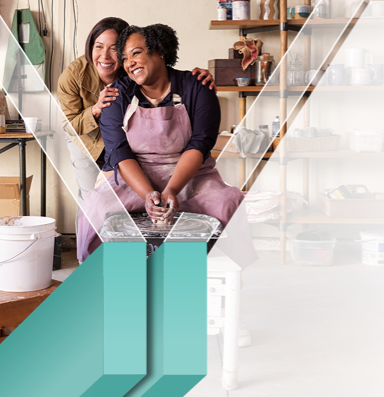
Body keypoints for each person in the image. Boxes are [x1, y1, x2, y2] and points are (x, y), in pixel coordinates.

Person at [76, 23, 258, 268]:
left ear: (160, 51)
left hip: (192, 175)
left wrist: (172, 189)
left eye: (136, 53)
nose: (129, 62)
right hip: (135, 177)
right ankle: (104, 277)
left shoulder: (196, 87)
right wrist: (148, 195)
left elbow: (200, 143)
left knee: (227, 203)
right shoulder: (116, 95)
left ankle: (225, 277)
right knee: (96, 207)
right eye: (125, 58)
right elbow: (119, 152)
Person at [57, 17, 215, 224]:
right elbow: (70, 125)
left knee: (136, 196)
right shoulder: (73, 75)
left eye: (114, 49)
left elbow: (164, 74)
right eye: (98, 47)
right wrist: (96, 109)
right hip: (85, 137)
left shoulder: (135, 66)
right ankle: (88, 255)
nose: (104, 56)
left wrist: (198, 81)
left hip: (128, 137)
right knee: (92, 197)